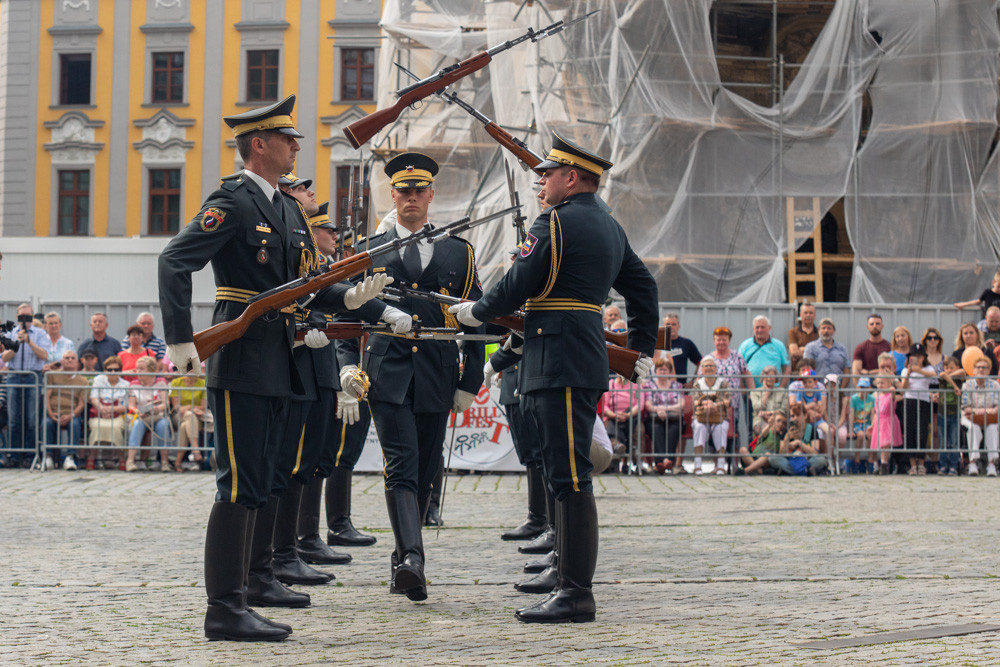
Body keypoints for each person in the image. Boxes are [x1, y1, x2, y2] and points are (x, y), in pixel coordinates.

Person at [158, 95, 386, 641]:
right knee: (238, 483)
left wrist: (348, 297)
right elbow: (174, 260)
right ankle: (223, 608)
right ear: (258, 145)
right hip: (241, 354)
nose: (295, 148)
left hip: (280, 357)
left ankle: (256, 582)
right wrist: (180, 337)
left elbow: (303, 283)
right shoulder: (233, 201)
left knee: (262, 479)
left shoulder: (286, 208)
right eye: (287, 140)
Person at [448, 132, 658, 624]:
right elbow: (643, 287)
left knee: (568, 477)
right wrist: (641, 348)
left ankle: (575, 592)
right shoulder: (609, 226)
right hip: (575, 352)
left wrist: (477, 311)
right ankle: (565, 575)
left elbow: (519, 281)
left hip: (559, 355)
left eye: (548, 175)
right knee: (563, 473)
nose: (541, 183)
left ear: (572, 177)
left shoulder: (557, 222)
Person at [336, 151, 485, 606]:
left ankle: (402, 557)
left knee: (424, 469)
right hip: (388, 373)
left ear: (431, 195)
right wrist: (347, 364)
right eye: (404, 191)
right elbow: (347, 314)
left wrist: (470, 382)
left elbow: (475, 320)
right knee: (400, 464)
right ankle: (414, 561)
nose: (412, 198)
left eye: (419, 190)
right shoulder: (369, 250)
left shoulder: (459, 251)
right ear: (393, 195)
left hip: (438, 373)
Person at [1, 303, 48, 466]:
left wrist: (29, 341)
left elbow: (44, 355)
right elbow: (4, 357)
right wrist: (17, 343)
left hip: (32, 376)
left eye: (28, 317)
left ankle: (30, 455)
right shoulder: (11, 333)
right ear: (17, 317)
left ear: (32, 317)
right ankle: (14, 456)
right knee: (14, 419)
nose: (25, 320)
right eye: (22, 317)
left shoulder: (41, 333)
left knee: (32, 419)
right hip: (14, 376)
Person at [43, 349, 88, 470]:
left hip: (72, 414)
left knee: (75, 424)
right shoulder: (52, 375)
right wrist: (50, 413)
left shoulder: (83, 381)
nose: (69, 360)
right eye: (67, 358)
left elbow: (81, 403)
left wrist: (71, 415)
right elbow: (47, 396)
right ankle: (48, 457)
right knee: (46, 423)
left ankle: (70, 457)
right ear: (61, 361)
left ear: (77, 363)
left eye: (72, 358)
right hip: (53, 412)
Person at [124, 356, 171, 472]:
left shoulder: (161, 382)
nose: (138, 371)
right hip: (141, 416)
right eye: (137, 368)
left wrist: (157, 408)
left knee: (163, 425)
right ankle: (130, 461)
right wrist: (138, 411)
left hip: (158, 415)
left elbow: (165, 403)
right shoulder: (133, 384)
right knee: (137, 425)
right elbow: (131, 405)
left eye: (142, 369)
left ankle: (164, 462)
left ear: (151, 370)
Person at [709, 325, 751, 444]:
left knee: (733, 431)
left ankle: (733, 455)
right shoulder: (709, 358)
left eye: (724, 340)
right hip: (714, 404)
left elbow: (746, 374)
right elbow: (700, 380)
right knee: (714, 432)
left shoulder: (737, 356)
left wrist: (752, 393)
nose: (721, 342)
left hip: (733, 403)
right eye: (719, 340)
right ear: (714, 341)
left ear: (729, 341)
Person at [641, 357, 683, 471]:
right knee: (656, 429)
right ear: (656, 371)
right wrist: (658, 411)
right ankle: (664, 461)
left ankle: (662, 461)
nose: (663, 372)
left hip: (673, 418)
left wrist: (663, 409)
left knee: (673, 430)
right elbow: (648, 405)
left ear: (670, 372)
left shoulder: (677, 385)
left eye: (665, 370)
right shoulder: (649, 385)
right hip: (654, 418)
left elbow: (681, 405)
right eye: (660, 369)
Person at [960, 357, 1000, 476]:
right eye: (978, 367)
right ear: (974, 369)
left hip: (990, 418)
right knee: (973, 429)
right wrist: (981, 411)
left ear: (989, 370)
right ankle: (973, 463)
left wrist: (982, 412)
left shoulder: (995, 385)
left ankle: (992, 464)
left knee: (993, 428)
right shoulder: (967, 385)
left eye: (984, 367)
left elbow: (997, 407)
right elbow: (966, 407)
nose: (981, 370)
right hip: (971, 418)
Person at [88, 355, 130, 465]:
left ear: (120, 371)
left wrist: (111, 410)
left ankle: (120, 457)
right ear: (105, 370)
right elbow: (94, 398)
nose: (113, 372)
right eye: (109, 369)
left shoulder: (126, 384)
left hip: (117, 414)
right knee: (97, 426)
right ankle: (92, 456)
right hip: (99, 412)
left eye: (116, 370)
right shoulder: (98, 380)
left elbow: (126, 405)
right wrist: (102, 409)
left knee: (115, 427)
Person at [691, 357, 729, 475]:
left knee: (720, 428)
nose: (708, 368)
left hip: (720, 417)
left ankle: (721, 465)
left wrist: (715, 405)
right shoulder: (698, 384)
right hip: (701, 417)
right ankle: (697, 465)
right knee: (699, 427)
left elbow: (727, 401)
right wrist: (707, 403)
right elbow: (695, 401)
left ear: (716, 368)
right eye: (706, 366)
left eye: (711, 366)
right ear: (701, 369)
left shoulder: (723, 383)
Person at [170, 368, 207, 471]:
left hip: (197, 418)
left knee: (185, 425)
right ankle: (195, 450)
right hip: (179, 416)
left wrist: (188, 408)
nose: (191, 370)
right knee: (189, 416)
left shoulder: (203, 383)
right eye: (189, 367)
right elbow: (176, 407)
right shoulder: (176, 382)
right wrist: (191, 408)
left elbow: (203, 407)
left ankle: (178, 462)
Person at [738, 315, 791, 387]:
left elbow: (787, 369)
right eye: (757, 327)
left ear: (769, 328)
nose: (760, 330)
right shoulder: (745, 345)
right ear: (753, 329)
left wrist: (780, 388)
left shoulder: (779, 345)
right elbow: (738, 369)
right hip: (750, 390)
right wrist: (743, 389)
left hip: (773, 390)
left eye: (763, 327)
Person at [837, 377, 873, 473]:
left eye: (865, 388)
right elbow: (851, 415)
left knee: (870, 435)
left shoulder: (871, 399)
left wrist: (872, 426)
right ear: (858, 387)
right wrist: (850, 429)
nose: (863, 390)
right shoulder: (854, 399)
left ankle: (870, 460)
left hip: (867, 423)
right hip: (857, 423)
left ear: (869, 388)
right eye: (861, 387)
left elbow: (872, 414)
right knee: (860, 435)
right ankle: (857, 460)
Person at [869, 374, 902, 474]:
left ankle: (884, 463)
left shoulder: (890, 395)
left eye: (882, 383)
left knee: (886, 443)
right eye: (878, 383)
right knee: (879, 444)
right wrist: (872, 425)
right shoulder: (877, 397)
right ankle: (878, 464)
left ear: (889, 384)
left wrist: (892, 390)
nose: (880, 385)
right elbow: (876, 413)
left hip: (888, 421)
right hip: (879, 422)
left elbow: (893, 396)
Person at [602, 373, 640, 460]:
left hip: (631, 416)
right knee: (609, 427)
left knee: (639, 430)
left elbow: (639, 404)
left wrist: (627, 415)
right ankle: (616, 447)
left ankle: (635, 459)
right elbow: (604, 405)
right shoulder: (610, 384)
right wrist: (614, 415)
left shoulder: (635, 385)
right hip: (611, 416)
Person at [789, 368, 828, 452]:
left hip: (817, 419)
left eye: (809, 382)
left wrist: (807, 406)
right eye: (804, 382)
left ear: (815, 382)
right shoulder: (800, 392)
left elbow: (820, 407)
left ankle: (828, 455)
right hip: (804, 419)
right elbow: (800, 407)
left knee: (829, 431)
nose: (807, 384)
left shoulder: (817, 392)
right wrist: (813, 405)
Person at [937, 356, 964, 475]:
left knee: (954, 442)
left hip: (955, 413)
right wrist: (955, 386)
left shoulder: (959, 377)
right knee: (943, 441)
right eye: (946, 367)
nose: (948, 370)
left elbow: (963, 371)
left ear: (956, 367)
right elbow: (943, 374)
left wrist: (950, 376)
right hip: (942, 413)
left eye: (951, 368)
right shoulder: (942, 377)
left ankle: (953, 466)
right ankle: (943, 465)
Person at [803, 318, 850, 384]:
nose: (826, 331)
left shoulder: (842, 348)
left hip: (837, 388)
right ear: (818, 330)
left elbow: (847, 370)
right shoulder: (810, 347)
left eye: (829, 328)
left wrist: (841, 388)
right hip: (817, 387)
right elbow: (807, 369)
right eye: (823, 328)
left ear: (834, 331)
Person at [738, 410, 786, 474]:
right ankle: (759, 471)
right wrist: (769, 425)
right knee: (742, 449)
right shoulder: (768, 431)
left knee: (768, 455)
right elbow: (763, 433)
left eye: (784, 423)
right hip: (754, 458)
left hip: (766, 462)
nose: (781, 424)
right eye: (778, 421)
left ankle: (746, 471)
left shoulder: (779, 438)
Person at [658, 312, 701, 383]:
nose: (671, 327)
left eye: (674, 324)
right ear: (663, 326)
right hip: (659, 386)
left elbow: (701, 363)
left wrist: (692, 382)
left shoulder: (686, 343)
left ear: (678, 326)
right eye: (668, 324)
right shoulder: (657, 344)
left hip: (680, 386)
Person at [748, 365, 789, 434]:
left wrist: (769, 413)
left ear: (776, 378)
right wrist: (766, 393)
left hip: (778, 420)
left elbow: (784, 410)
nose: (769, 378)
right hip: (760, 421)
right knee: (767, 430)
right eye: (767, 376)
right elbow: (757, 408)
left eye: (772, 376)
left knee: (779, 427)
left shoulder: (782, 392)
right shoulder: (754, 392)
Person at [851, 314, 891, 382]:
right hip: (866, 385)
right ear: (867, 327)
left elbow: (890, 370)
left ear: (882, 326)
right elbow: (856, 372)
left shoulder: (890, 346)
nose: (875, 326)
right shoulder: (860, 347)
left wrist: (868, 372)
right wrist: (859, 389)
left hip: (885, 385)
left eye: (877, 323)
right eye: (872, 324)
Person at [787, 302, 818, 372]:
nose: (808, 315)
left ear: (814, 315)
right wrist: (813, 352)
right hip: (798, 372)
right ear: (800, 315)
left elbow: (822, 354)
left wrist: (802, 349)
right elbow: (794, 353)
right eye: (805, 313)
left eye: (811, 313)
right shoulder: (793, 332)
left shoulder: (820, 332)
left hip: (816, 373)